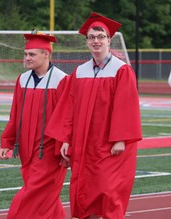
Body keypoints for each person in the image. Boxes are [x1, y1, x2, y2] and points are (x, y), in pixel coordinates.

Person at [45, 12, 142, 219]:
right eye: (91, 37)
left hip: (110, 144)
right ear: (87, 42)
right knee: (85, 190)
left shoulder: (121, 70)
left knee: (108, 190)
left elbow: (126, 106)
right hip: (84, 143)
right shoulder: (80, 72)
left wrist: (121, 139)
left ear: (109, 40)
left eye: (100, 37)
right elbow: (68, 108)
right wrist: (65, 138)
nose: (96, 41)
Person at [0, 32, 68, 219]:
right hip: (26, 149)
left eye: (31, 54)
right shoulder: (23, 80)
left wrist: (67, 145)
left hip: (50, 150)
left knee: (30, 196)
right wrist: (7, 141)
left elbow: (69, 118)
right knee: (46, 198)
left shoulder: (62, 80)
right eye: (25, 54)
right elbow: (15, 115)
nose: (26, 58)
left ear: (46, 54)